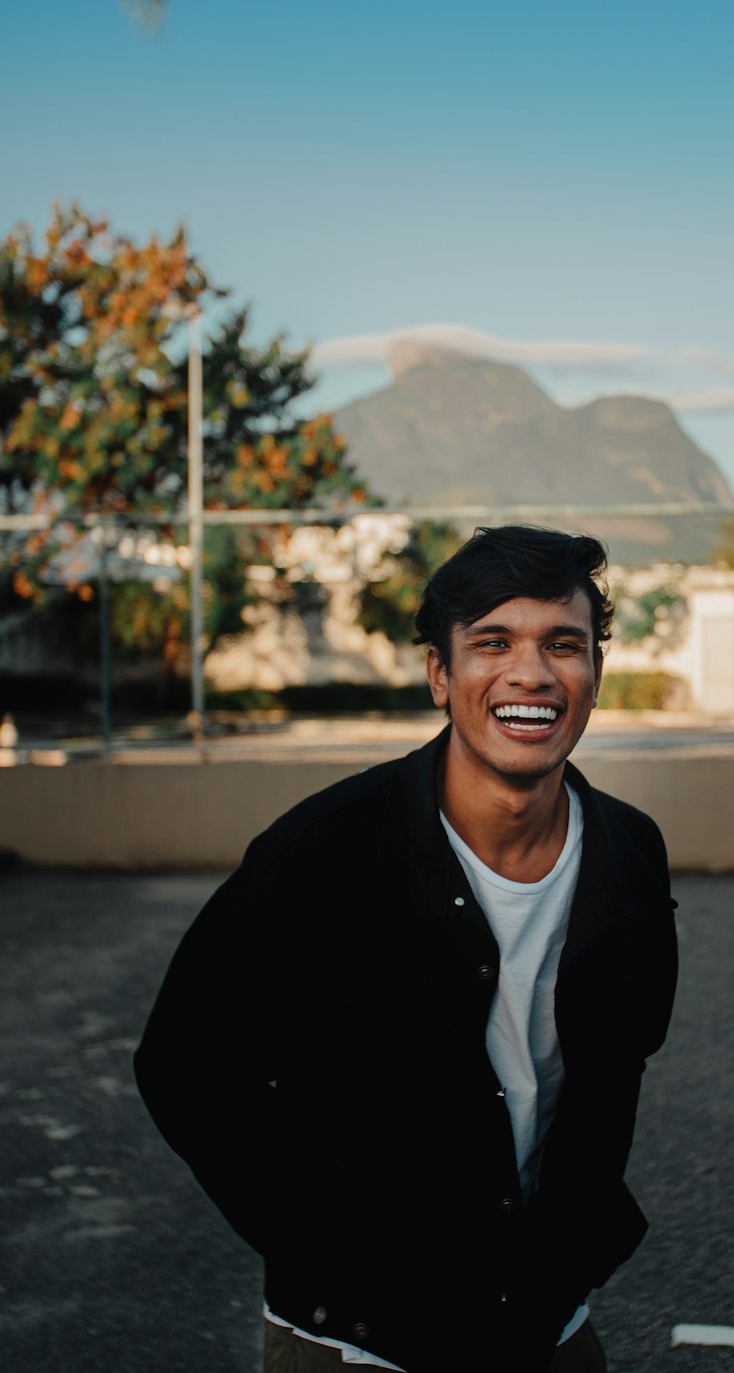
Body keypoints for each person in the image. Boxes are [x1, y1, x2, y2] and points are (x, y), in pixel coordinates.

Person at [135, 524, 678, 1373]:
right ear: (439, 673)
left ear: (594, 675)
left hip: (543, 1320)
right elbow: (182, 1063)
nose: (530, 673)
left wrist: (579, 1239)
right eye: (492, 642)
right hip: (361, 1337)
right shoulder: (324, 852)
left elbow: (622, 1056)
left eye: (563, 645)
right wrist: (321, 1243)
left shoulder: (631, 853)